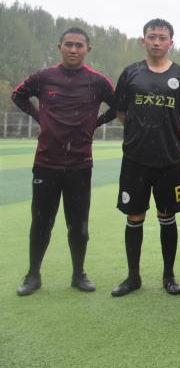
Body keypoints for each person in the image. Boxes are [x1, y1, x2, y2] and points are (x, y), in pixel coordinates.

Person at [12, 27, 115, 296]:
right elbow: (18, 95)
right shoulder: (44, 77)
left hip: (80, 165)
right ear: (59, 47)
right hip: (46, 163)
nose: (73, 49)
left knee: (78, 225)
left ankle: (78, 274)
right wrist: (40, 117)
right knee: (41, 223)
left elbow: (119, 105)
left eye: (79, 45)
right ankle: (33, 275)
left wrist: (96, 123)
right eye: (68, 44)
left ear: (87, 49)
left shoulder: (97, 81)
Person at [111, 18, 180, 297]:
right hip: (135, 158)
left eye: (162, 38)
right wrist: (140, 133)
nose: (156, 42)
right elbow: (121, 111)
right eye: (152, 37)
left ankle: (169, 276)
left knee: (166, 215)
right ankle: (133, 277)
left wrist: (169, 135)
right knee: (134, 215)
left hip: (168, 159)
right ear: (143, 40)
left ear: (171, 42)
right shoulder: (131, 73)